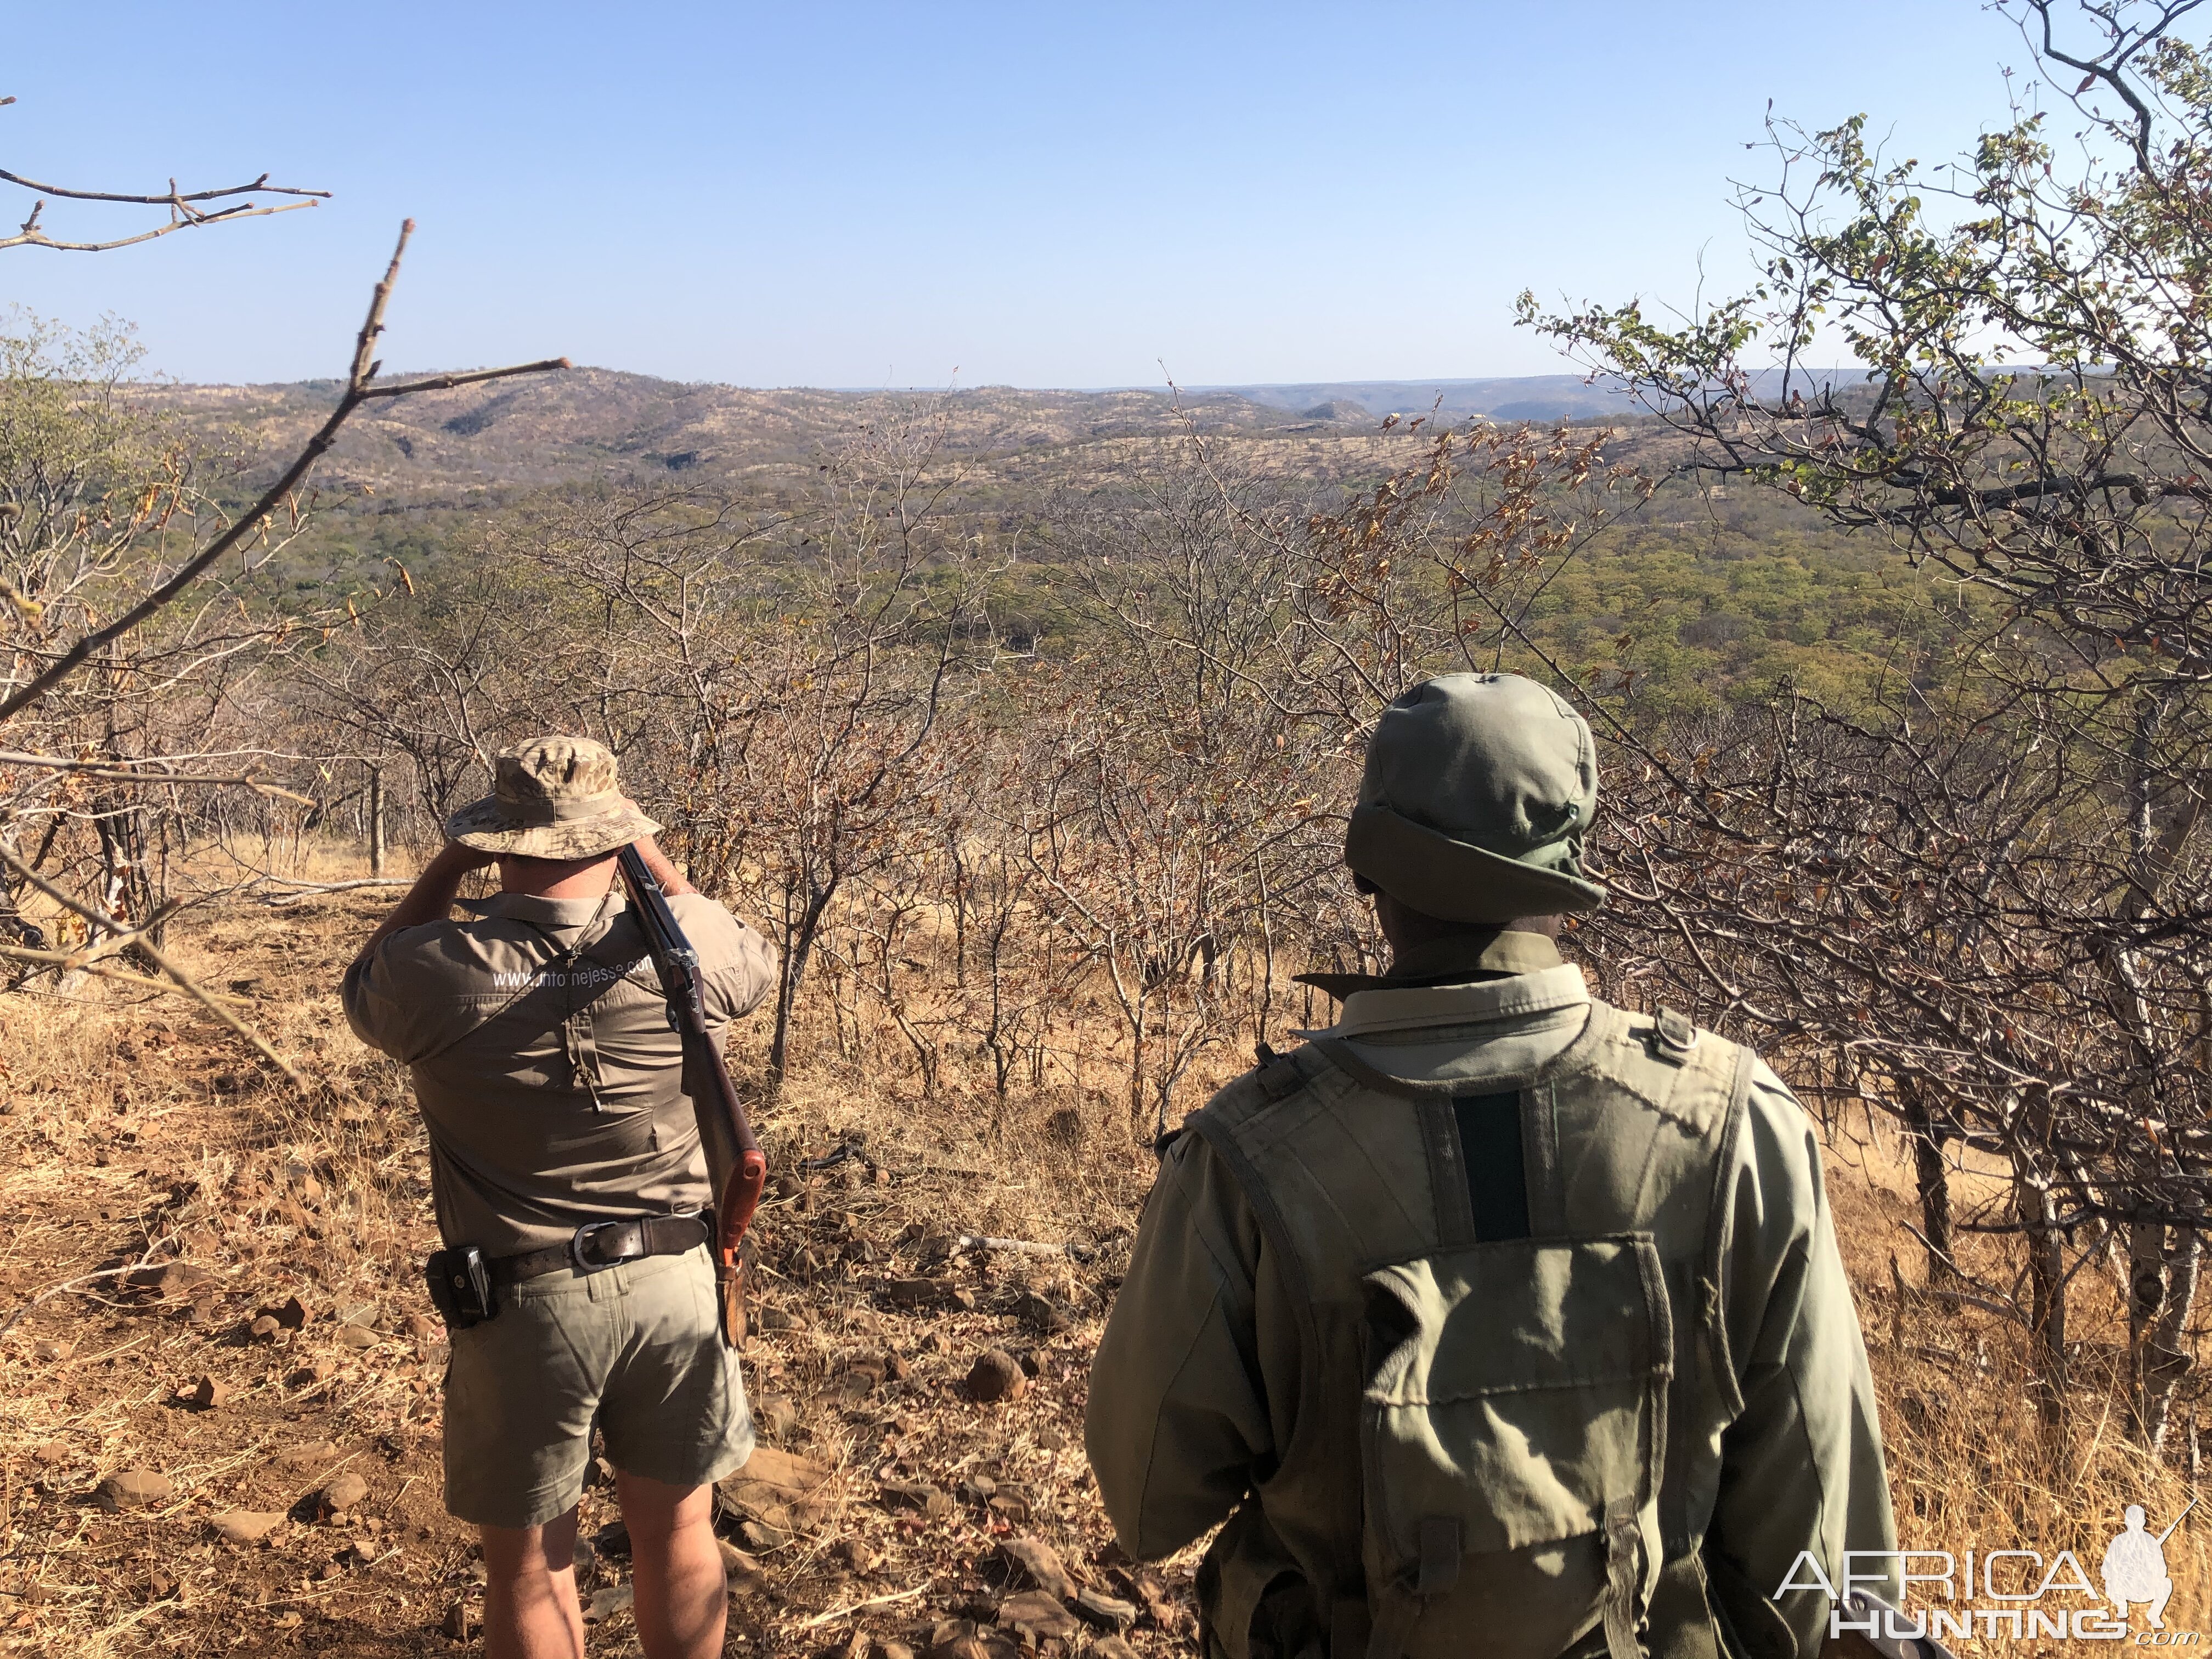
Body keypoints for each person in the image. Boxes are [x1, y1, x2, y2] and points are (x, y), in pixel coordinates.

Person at [1085, 673, 1897, 1659]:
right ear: (1568, 867)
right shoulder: (1735, 1124)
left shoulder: (1248, 1153)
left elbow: (1146, 1496)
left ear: (1369, 871)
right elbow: (1818, 1534)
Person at [343, 735, 777, 1659]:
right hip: (676, 1282)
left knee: (532, 1566)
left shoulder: (440, 967)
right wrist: (645, 852)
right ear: (615, 832)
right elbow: (743, 949)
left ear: (499, 837)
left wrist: (451, 861)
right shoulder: (686, 950)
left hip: (523, 1301)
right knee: (681, 1530)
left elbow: (362, 985)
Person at [2101, 1505, 2173, 1629]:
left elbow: (2163, 1571)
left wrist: (2149, 1568)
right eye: (2132, 1521)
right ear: (2126, 1522)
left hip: (2146, 1590)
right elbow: (2105, 1570)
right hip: (2123, 1590)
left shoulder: (2151, 1542)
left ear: (2143, 1522)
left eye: (2138, 1521)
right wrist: (2120, 1572)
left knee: (2167, 1583)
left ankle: (2154, 1615)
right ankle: (2122, 1608)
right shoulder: (2118, 1541)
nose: (2135, 1525)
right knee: (2112, 1580)